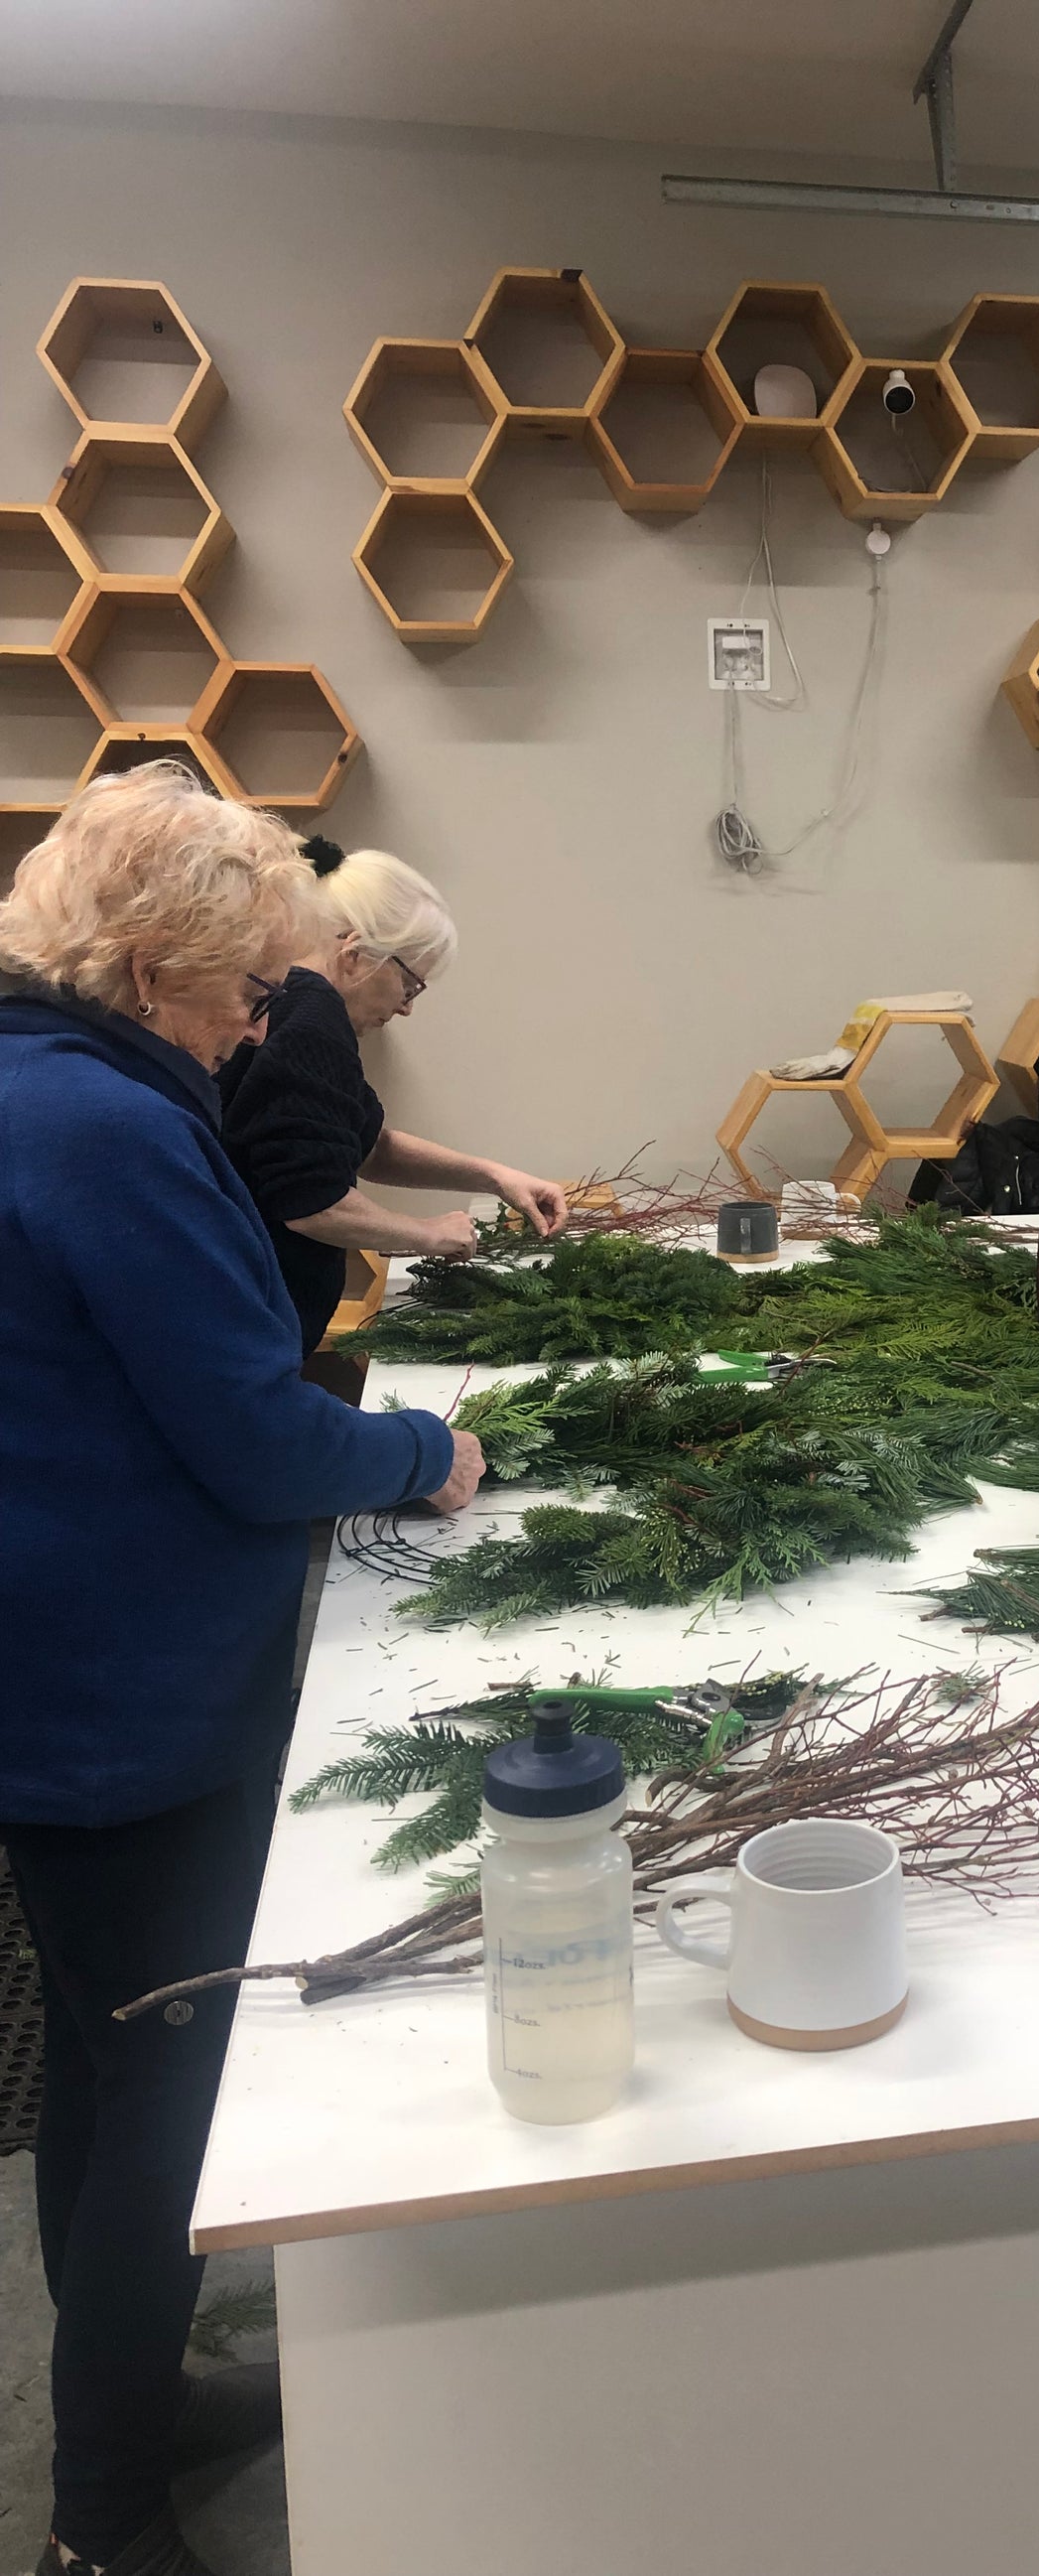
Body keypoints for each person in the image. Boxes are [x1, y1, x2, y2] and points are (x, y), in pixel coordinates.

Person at [0, 765, 486, 2576]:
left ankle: (128, 2400)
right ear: (142, 972)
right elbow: (255, 1436)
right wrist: (424, 1455)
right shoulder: (107, 1129)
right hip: (126, 1695)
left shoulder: (34, 1080)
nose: (249, 1028)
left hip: (53, 1679)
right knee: (170, 2085)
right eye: (234, 994)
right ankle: (107, 2520)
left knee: (107, 2072)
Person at [217, 837, 571, 1357]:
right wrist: (423, 1233)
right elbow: (310, 1204)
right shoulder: (312, 1020)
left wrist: (495, 1175)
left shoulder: (297, 1006)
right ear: (357, 951)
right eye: (411, 986)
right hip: (249, 1321)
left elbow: (368, 1144)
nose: (407, 1009)